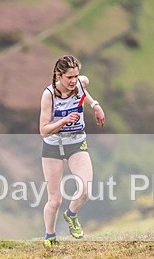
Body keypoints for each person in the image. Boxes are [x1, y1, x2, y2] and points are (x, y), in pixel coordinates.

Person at [39, 55, 105, 247]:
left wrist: (95, 105)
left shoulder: (79, 84)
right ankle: (50, 237)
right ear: (58, 75)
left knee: (84, 190)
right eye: (69, 77)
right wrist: (62, 121)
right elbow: (43, 130)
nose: (73, 81)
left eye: (76, 76)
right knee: (55, 200)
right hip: (52, 146)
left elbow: (85, 85)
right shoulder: (49, 95)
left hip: (76, 143)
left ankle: (71, 214)